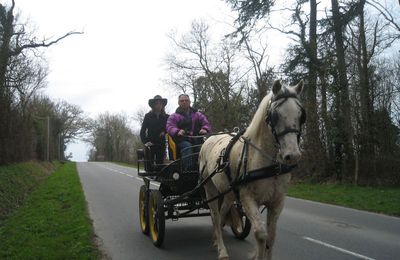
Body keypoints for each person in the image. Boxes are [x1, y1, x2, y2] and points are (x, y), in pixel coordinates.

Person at [166, 94, 211, 170]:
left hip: (196, 139)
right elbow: (169, 127)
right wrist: (177, 131)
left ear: (189, 102)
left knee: (206, 146)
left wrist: (205, 129)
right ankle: (188, 170)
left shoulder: (198, 115)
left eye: (186, 100)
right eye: (182, 101)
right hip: (181, 141)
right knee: (187, 146)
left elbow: (206, 123)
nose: (184, 102)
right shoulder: (174, 116)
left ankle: (206, 168)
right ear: (178, 103)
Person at [140, 95, 169, 165]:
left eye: (160, 103)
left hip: (161, 144)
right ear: (153, 105)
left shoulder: (167, 117)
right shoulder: (148, 116)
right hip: (150, 144)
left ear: (162, 105)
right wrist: (146, 142)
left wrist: (164, 131)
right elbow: (142, 131)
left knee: (160, 166)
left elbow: (170, 128)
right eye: (156, 103)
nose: (158, 105)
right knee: (149, 166)